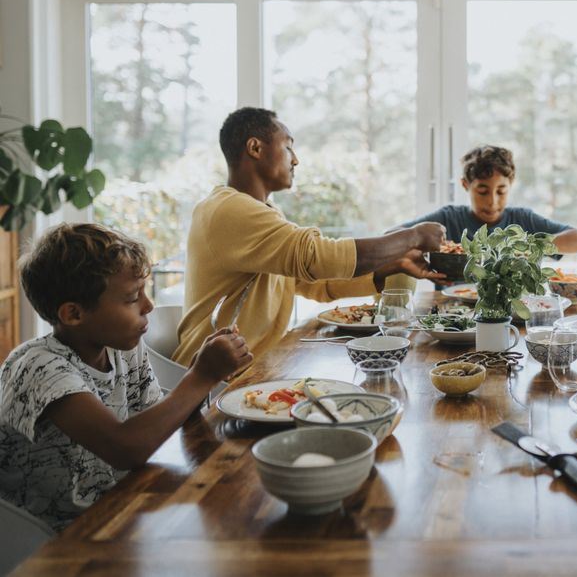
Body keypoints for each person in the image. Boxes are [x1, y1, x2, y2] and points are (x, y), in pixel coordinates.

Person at [0, 223, 251, 532]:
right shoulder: (38, 368)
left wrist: (202, 374)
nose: (148, 305)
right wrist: (201, 377)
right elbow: (124, 447)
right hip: (49, 539)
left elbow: (155, 426)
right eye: (132, 298)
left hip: (119, 507)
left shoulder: (121, 348)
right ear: (74, 314)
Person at [173, 107, 447, 366]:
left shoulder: (261, 212)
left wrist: (395, 264)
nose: (295, 159)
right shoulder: (229, 210)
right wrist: (412, 237)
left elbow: (315, 283)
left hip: (257, 368)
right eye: (288, 146)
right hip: (212, 384)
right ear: (255, 148)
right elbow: (318, 258)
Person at [392, 145, 577, 254]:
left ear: (511, 184)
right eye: (482, 191)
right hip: (454, 312)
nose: (492, 202)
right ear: (465, 185)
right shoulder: (448, 218)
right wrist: (418, 242)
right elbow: (391, 235)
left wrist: (529, 247)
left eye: (501, 191)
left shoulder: (522, 220)